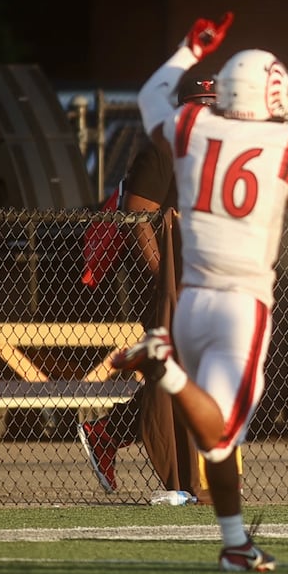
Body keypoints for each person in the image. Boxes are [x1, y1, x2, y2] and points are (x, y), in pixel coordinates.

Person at [108, 23, 288, 571]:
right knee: (223, 429)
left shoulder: (193, 127)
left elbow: (149, 97)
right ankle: (166, 371)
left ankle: (236, 543)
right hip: (244, 304)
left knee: (215, 441)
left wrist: (190, 48)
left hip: (191, 299)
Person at [80, 67, 218, 499]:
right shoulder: (163, 148)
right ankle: (178, 475)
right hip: (170, 286)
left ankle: (109, 433)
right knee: (176, 374)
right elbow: (139, 217)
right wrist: (167, 282)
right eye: (201, 108)